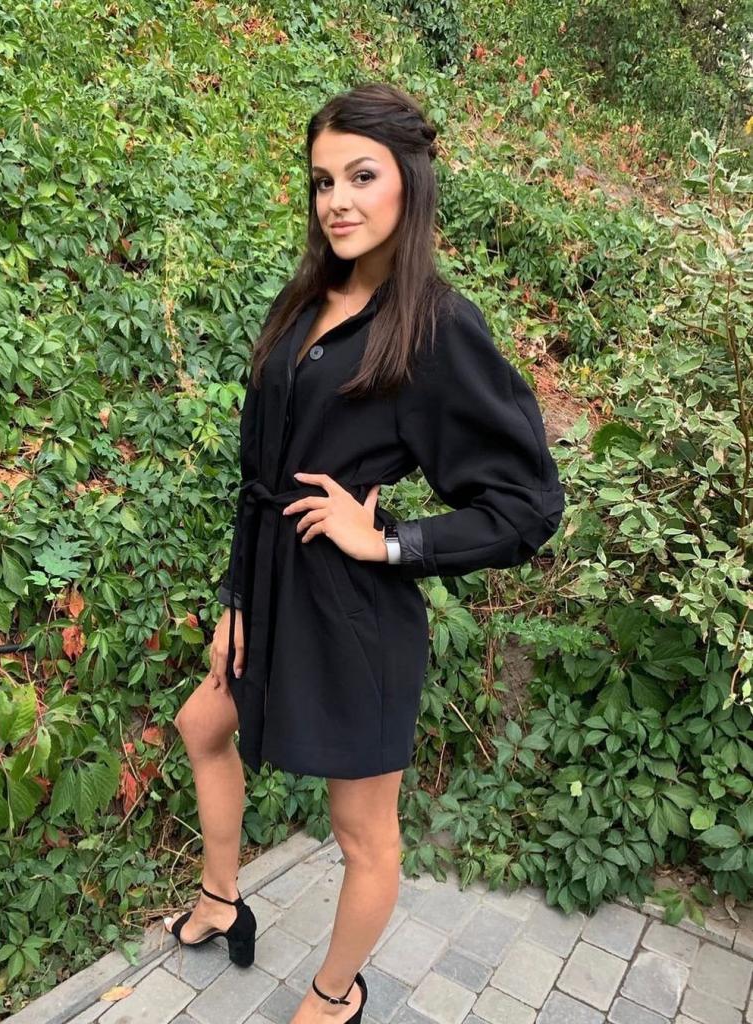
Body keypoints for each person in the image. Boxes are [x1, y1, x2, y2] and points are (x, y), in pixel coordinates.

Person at [164, 81, 565, 1024]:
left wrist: (386, 540)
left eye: (360, 176)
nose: (336, 200)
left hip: (352, 614)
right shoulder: (306, 300)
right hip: (272, 588)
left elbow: (526, 504)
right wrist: (235, 600)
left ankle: (334, 995)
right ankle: (222, 899)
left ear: (409, 182)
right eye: (321, 181)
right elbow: (260, 475)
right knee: (201, 723)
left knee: (361, 830)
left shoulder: (435, 326)